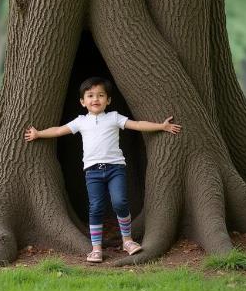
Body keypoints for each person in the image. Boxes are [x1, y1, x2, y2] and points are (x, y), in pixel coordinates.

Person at [24, 76, 181, 263]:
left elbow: (137, 125)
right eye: (90, 96)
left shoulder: (114, 118)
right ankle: (96, 248)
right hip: (92, 172)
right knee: (96, 207)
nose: (95, 99)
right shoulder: (81, 121)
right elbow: (58, 131)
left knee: (120, 202)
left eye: (100, 95)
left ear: (108, 100)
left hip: (115, 168)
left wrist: (162, 126)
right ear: (83, 102)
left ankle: (127, 241)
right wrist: (38, 133)